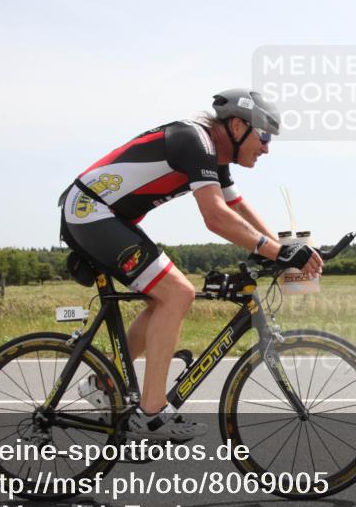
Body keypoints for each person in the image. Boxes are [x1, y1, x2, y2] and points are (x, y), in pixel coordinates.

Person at [58, 89, 323, 440]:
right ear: (239, 125)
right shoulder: (195, 141)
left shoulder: (215, 156)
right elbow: (215, 218)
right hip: (90, 211)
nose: (266, 147)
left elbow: (237, 208)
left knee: (163, 298)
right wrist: (278, 253)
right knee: (176, 293)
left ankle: (101, 384)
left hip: (108, 216)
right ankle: (151, 413)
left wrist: (286, 249)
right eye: (264, 136)